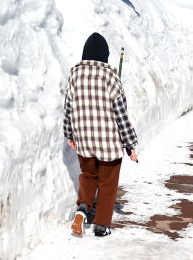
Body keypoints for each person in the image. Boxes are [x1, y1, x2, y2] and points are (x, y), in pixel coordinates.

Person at [63, 32, 138, 237]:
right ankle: (102, 225)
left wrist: (69, 133)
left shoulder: (74, 75)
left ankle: (82, 210)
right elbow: (121, 116)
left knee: (88, 175)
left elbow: (68, 109)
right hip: (108, 144)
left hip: (84, 140)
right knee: (107, 183)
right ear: (105, 56)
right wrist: (130, 143)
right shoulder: (111, 76)